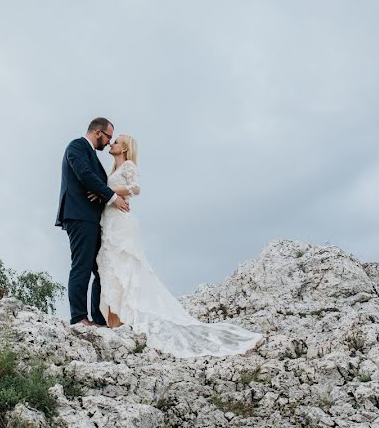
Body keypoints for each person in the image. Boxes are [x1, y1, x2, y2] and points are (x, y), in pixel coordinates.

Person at [93, 135, 262, 357]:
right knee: (110, 270)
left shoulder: (128, 165)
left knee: (125, 266)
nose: (111, 144)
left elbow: (136, 188)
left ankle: (125, 324)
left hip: (122, 224)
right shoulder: (112, 168)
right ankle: (115, 324)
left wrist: (111, 193)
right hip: (109, 222)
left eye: (116, 142)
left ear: (124, 147)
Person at [55, 118, 131, 327]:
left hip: (92, 218)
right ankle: (79, 317)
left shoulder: (93, 156)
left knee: (101, 268)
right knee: (82, 265)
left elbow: (96, 183)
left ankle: (99, 319)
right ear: (98, 132)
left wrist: (100, 194)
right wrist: (113, 198)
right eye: (108, 137)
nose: (108, 143)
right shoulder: (77, 146)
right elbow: (85, 175)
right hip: (79, 216)